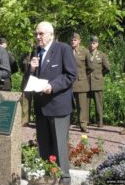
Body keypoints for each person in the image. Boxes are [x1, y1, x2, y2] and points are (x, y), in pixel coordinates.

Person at [29, 21, 77, 185]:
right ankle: (48, 177)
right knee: (44, 147)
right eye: (36, 34)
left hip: (58, 107)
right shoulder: (35, 52)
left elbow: (71, 75)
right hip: (41, 107)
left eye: (41, 34)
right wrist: (31, 69)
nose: (37, 37)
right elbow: (28, 80)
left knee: (59, 147)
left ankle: (64, 179)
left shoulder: (63, 49)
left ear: (51, 34)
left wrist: (52, 86)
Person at [70, 33, 92, 133]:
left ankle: (83, 125)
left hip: (81, 82)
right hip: (68, 83)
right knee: (67, 104)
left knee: (82, 106)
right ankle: (67, 123)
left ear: (79, 41)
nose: (73, 42)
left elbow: (90, 67)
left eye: (75, 40)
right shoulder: (67, 51)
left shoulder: (85, 52)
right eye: (72, 40)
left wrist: (83, 76)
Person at [87, 36, 110, 127]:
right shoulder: (86, 53)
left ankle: (99, 121)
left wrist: (101, 74)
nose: (92, 45)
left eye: (94, 43)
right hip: (87, 81)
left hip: (97, 81)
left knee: (98, 103)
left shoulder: (102, 55)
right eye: (91, 43)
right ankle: (86, 121)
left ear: (97, 44)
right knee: (86, 103)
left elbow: (107, 68)